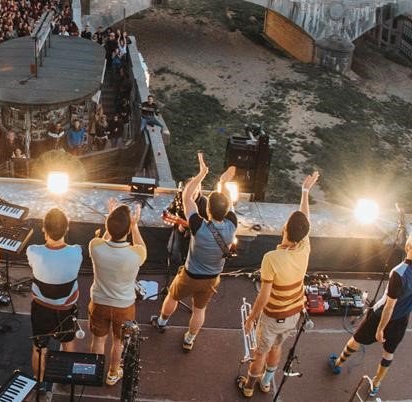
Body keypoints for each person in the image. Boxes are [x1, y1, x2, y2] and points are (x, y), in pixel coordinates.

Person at [328, 188, 412, 399]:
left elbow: (389, 306)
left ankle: (338, 363)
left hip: (382, 317)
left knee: (357, 339)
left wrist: (380, 330)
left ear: (407, 245)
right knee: (389, 352)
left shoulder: (398, 273)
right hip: (403, 318)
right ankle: (376, 384)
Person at [237, 171, 319, 397]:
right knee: (277, 348)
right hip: (293, 314)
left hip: (272, 316)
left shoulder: (272, 258)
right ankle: (267, 381)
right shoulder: (304, 248)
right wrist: (305, 191)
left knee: (259, 353)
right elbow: (306, 220)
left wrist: (251, 318)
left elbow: (263, 297)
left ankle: (248, 387)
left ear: (284, 230)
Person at [150, 153, 237, 352]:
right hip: (213, 277)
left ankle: (162, 323)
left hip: (191, 275)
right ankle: (189, 339)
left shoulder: (198, 226)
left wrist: (201, 174)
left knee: (172, 296)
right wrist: (223, 183)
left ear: (207, 211)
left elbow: (186, 196)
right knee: (199, 310)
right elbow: (229, 203)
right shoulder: (232, 224)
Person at [88, 199, 146, 386]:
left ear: (107, 226)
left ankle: (94, 372)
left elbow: (105, 240)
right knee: (118, 342)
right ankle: (113, 374)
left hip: (99, 302)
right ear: (128, 230)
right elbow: (142, 246)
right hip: (124, 305)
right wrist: (134, 226)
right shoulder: (136, 254)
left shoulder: (95, 246)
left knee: (98, 339)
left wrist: (110, 221)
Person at [26, 207, 83, 384]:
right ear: (67, 228)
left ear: (44, 229)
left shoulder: (33, 251)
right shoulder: (76, 252)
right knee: (68, 342)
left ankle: (39, 381)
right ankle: (68, 378)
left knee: (38, 347)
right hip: (66, 309)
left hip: (41, 309)